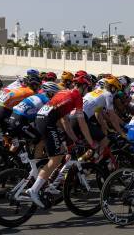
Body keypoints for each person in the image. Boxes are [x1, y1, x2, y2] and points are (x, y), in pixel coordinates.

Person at [27, 75, 94, 207]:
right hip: (48, 123)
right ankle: (34, 190)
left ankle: (43, 181)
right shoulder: (77, 97)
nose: (87, 91)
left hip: (41, 120)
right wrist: (90, 142)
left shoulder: (63, 91)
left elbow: (64, 120)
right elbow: (82, 123)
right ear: (84, 86)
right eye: (87, 88)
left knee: (60, 151)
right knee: (56, 158)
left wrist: (74, 139)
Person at [8, 81, 61, 157]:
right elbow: (49, 117)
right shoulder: (46, 100)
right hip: (20, 120)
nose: (56, 97)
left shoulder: (37, 95)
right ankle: (37, 163)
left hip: (13, 117)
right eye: (55, 94)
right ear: (50, 93)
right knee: (40, 139)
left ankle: (8, 158)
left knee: (18, 141)